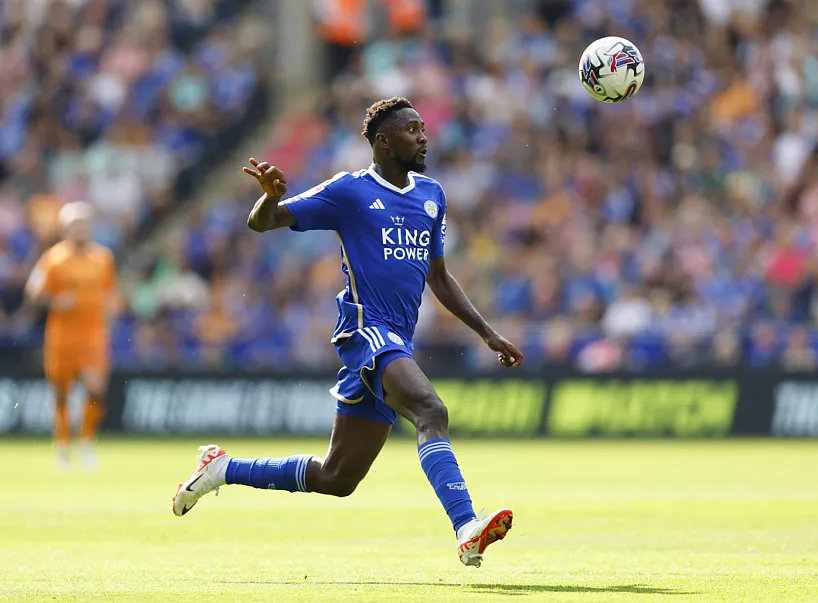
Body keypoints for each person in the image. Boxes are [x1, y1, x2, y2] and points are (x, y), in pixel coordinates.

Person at [172, 97, 524, 567]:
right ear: (383, 140)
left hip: (397, 338)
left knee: (337, 477)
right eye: (412, 129)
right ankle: (466, 527)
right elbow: (264, 223)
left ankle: (221, 468)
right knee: (430, 410)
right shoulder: (349, 191)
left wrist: (486, 332)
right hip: (365, 330)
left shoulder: (432, 195)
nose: (424, 136)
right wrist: (271, 196)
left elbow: (439, 276)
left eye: (423, 128)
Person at [25, 201, 117, 471]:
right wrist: (55, 300)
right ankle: (63, 444)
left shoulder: (103, 258)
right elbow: (33, 292)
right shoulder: (53, 258)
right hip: (62, 336)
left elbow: (109, 292)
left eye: (84, 224)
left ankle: (86, 441)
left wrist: (110, 313)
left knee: (96, 389)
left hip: (93, 335)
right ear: (65, 228)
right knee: (62, 394)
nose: (80, 229)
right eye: (75, 224)